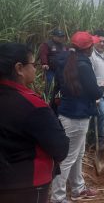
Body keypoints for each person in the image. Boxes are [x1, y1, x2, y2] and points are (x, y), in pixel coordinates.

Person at [0, 43, 69, 203]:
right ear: (19, 68)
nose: (35, 69)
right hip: (28, 185)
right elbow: (60, 148)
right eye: (33, 64)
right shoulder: (33, 105)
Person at [50, 31, 104, 202]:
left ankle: (77, 188)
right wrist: (101, 89)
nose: (93, 48)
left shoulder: (65, 59)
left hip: (69, 111)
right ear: (88, 48)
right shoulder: (83, 64)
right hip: (77, 116)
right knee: (67, 158)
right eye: (92, 45)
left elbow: (69, 86)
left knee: (78, 154)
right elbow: (94, 91)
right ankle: (57, 198)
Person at [89, 29, 104, 151]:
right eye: (100, 41)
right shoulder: (91, 55)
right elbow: (90, 75)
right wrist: (95, 94)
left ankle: (95, 136)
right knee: (103, 114)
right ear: (95, 41)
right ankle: (101, 139)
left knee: (102, 116)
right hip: (97, 92)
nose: (102, 44)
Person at [38, 29, 67, 97]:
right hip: (51, 70)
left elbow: (67, 54)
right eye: (59, 36)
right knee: (50, 85)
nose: (61, 38)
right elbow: (43, 54)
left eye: (62, 36)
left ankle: (57, 99)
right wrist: (44, 63)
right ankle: (47, 99)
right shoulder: (47, 44)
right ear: (54, 36)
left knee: (61, 85)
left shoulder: (63, 45)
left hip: (61, 70)